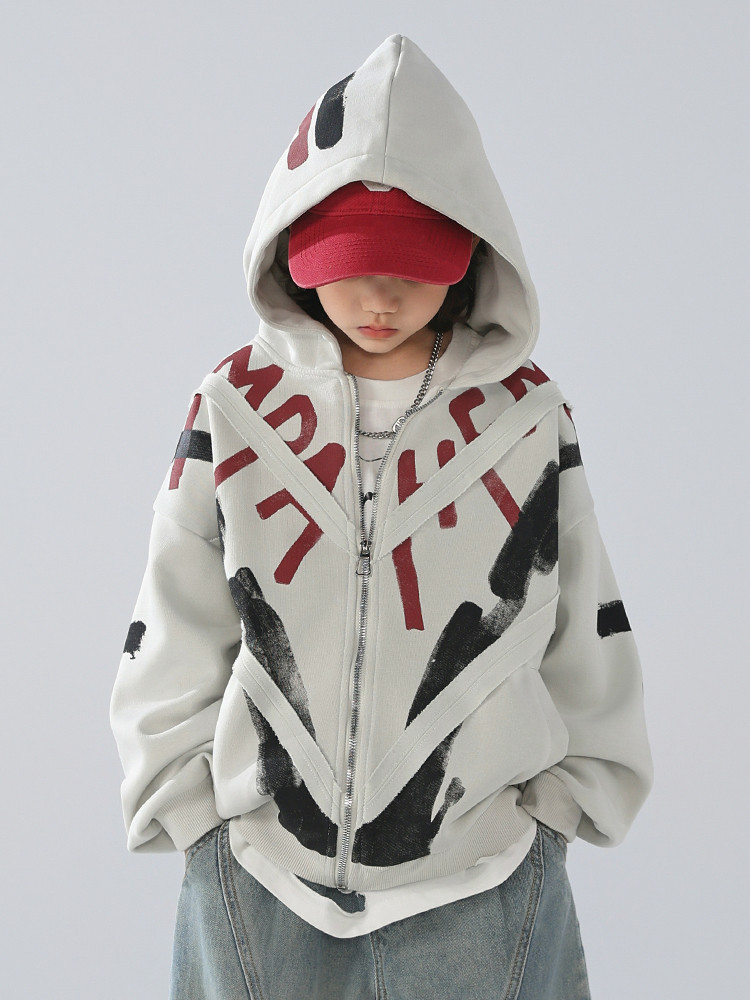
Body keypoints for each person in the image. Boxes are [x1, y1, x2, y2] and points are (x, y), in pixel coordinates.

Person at [110, 34, 653, 1000]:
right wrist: (186, 806)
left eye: (411, 263)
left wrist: (565, 808)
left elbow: (582, 611)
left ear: (473, 248)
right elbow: (177, 605)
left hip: (482, 873)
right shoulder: (234, 408)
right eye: (354, 262)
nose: (380, 295)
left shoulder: (527, 416)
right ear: (293, 245)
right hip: (259, 870)